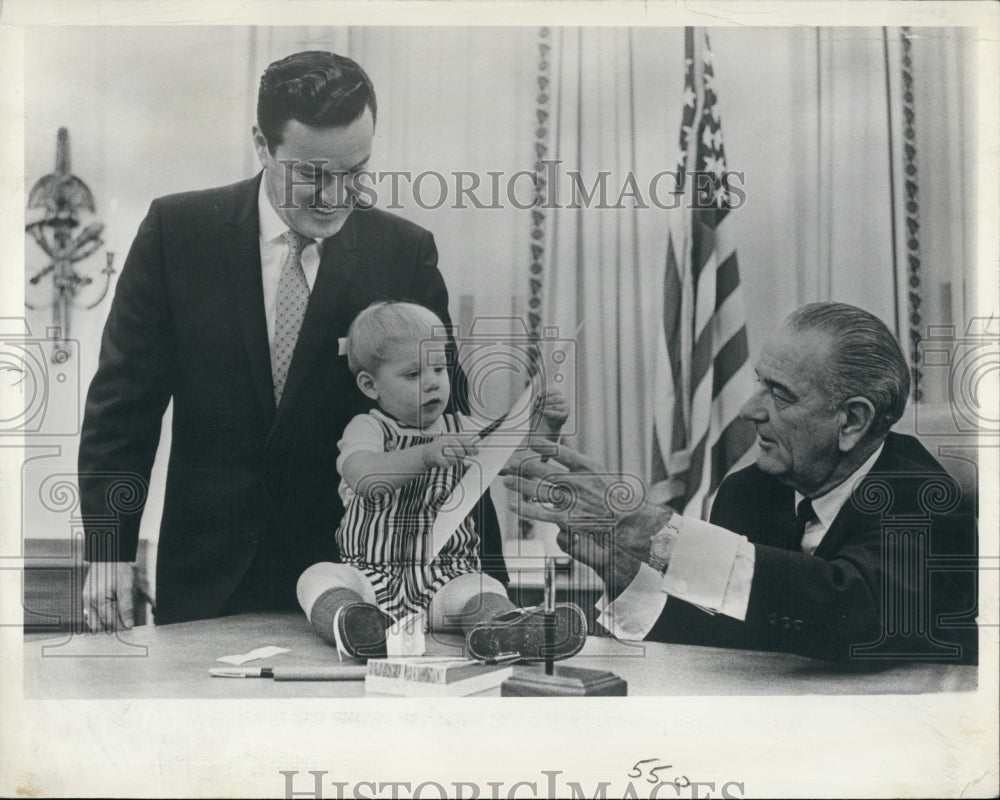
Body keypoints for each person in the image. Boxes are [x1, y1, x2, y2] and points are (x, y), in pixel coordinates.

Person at [77, 51, 508, 628]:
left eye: (355, 173)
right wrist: (109, 551)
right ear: (262, 143)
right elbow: (122, 408)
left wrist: (488, 580)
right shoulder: (177, 232)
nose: (335, 197)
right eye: (311, 174)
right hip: (208, 578)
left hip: (361, 580)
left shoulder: (403, 253)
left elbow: (444, 417)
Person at [504, 302, 978, 664]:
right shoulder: (749, 492)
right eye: (759, 383)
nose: (750, 410)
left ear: (852, 420)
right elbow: (731, 634)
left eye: (781, 395)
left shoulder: (929, 503)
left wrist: (654, 529)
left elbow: (847, 613)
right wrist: (625, 572)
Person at [297, 301, 587, 660]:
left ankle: (504, 632)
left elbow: (522, 461)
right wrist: (426, 454)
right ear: (371, 385)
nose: (433, 382)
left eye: (439, 368)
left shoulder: (462, 427)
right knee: (316, 577)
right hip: (371, 575)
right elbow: (364, 476)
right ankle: (358, 624)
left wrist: (548, 427)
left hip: (446, 578)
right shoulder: (369, 427)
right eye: (414, 375)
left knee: (482, 587)